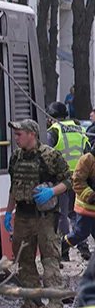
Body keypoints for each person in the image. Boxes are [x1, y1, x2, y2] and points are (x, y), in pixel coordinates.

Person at [3, 118, 72, 308]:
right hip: (23, 215)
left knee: (49, 258)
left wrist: (52, 192)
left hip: (45, 217)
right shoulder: (15, 158)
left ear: (32, 135)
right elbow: (14, 187)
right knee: (24, 259)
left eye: (19, 134)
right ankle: (31, 300)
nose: (16, 138)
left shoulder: (49, 156)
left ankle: (55, 303)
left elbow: (68, 179)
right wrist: (9, 211)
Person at [45, 101, 88, 260]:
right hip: (81, 178)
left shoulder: (54, 131)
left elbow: (47, 155)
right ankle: (83, 245)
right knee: (76, 213)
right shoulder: (80, 129)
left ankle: (64, 251)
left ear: (52, 117)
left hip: (62, 179)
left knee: (62, 215)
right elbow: (88, 151)